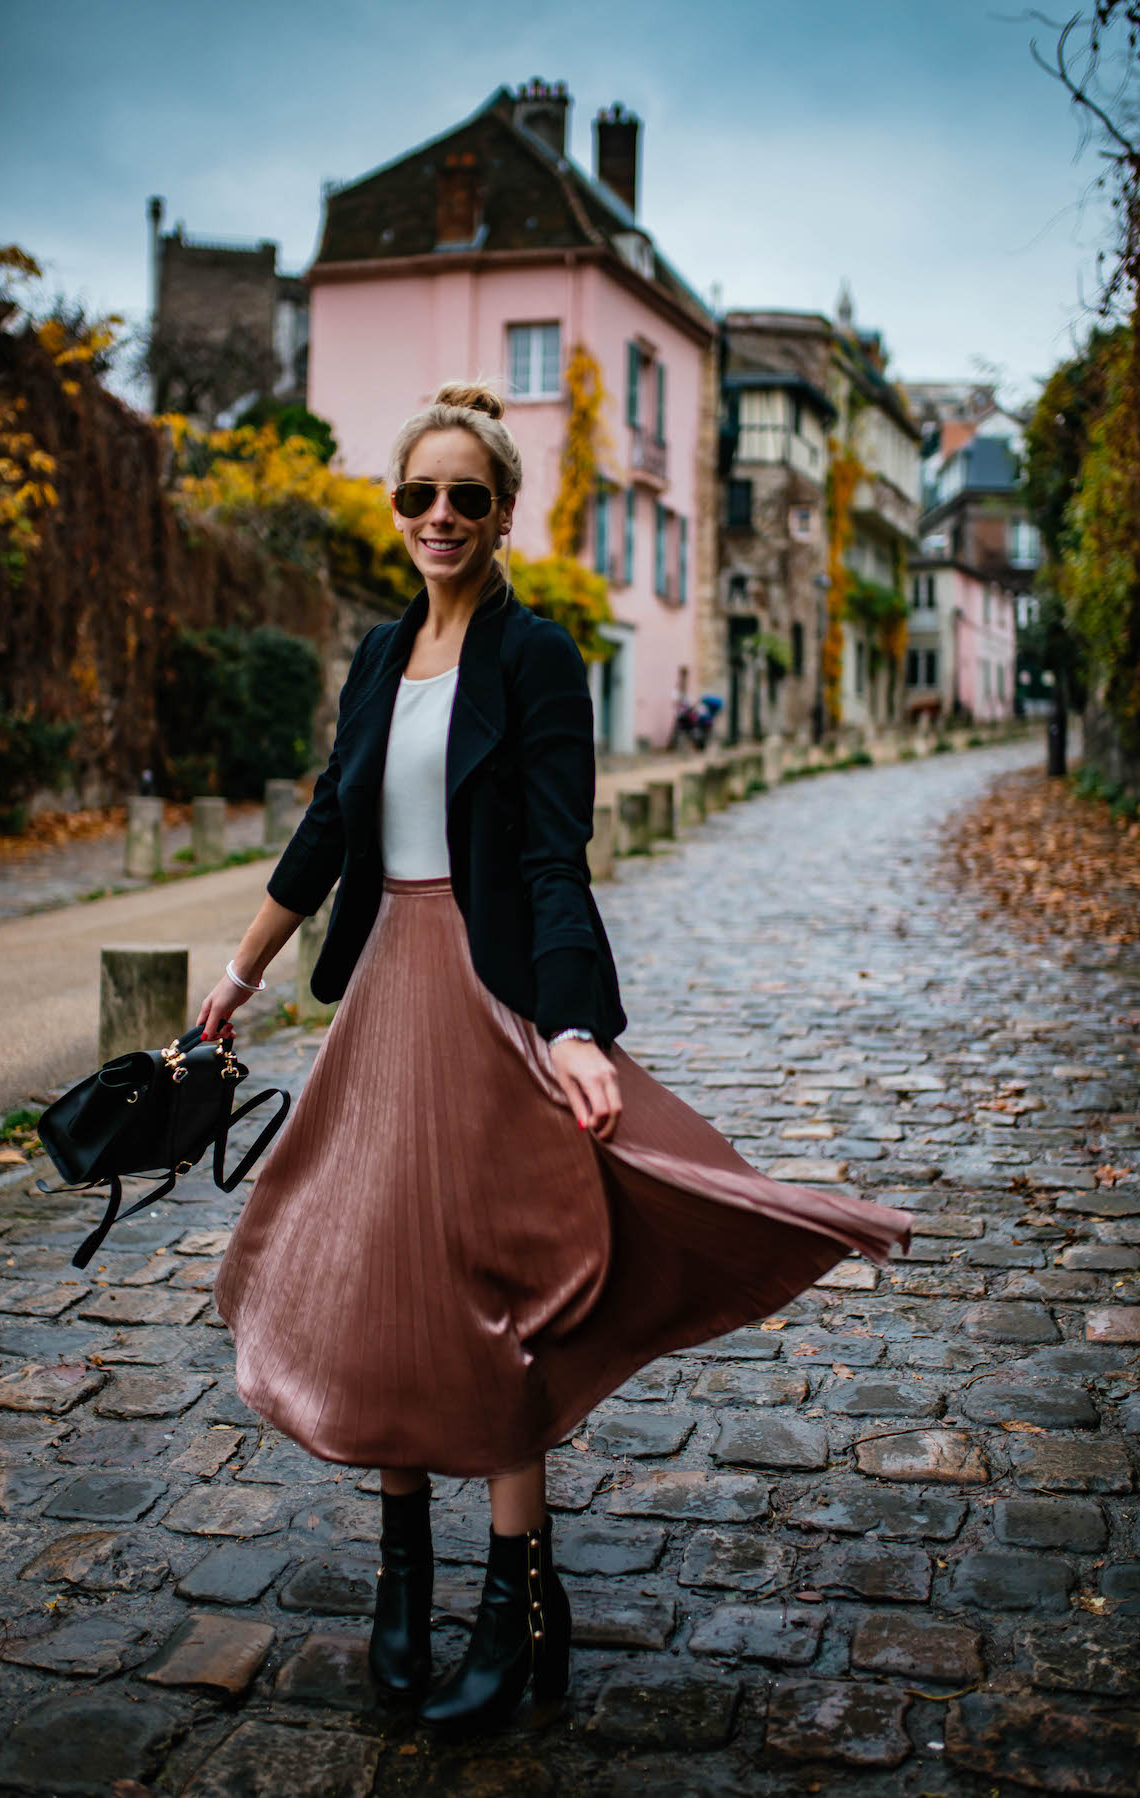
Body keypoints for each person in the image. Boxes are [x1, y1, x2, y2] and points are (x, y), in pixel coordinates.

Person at [198, 381, 911, 1735]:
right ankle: (401, 1577)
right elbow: (325, 838)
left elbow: (549, 860)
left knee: (489, 1288)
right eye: (419, 494)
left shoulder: (534, 660)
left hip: (484, 995)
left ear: (505, 511)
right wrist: (233, 981)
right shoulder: (372, 656)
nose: (441, 515)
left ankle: (516, 1594)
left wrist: (574, 1027)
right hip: (378, 1002)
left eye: (468, 495)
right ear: (395, 507)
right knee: (379, 1285)